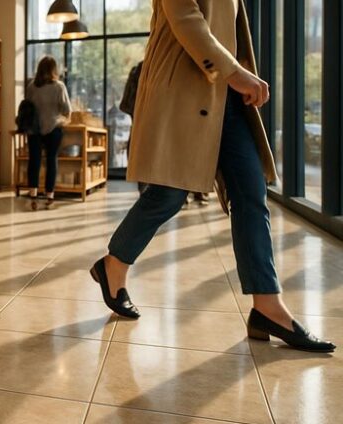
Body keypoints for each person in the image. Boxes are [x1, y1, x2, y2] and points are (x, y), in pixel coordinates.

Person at [89, 0, 334, 352]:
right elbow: (185, 17)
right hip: (187, 91)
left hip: (227, 98)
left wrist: (236, 73)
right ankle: (113, 266)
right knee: (169, 194)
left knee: (251, 192)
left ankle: (268, 306)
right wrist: (234, 71)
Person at [25, 56, 72, 210]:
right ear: (54, 69)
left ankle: (33, 196)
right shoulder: (59, 86)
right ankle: (49, 197)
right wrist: (62, 119)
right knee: (51, 161)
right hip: (53, 128)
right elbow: (67, 110)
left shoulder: (31, 86)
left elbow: (27, 108)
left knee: (34, 162)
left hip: (34, 130)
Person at [119, 61, 146, 194]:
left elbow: (126, 103)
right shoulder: (147, 68)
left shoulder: (137, 70)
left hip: (138, 118)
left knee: (138, 148)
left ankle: (143, 188)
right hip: (150, 118)